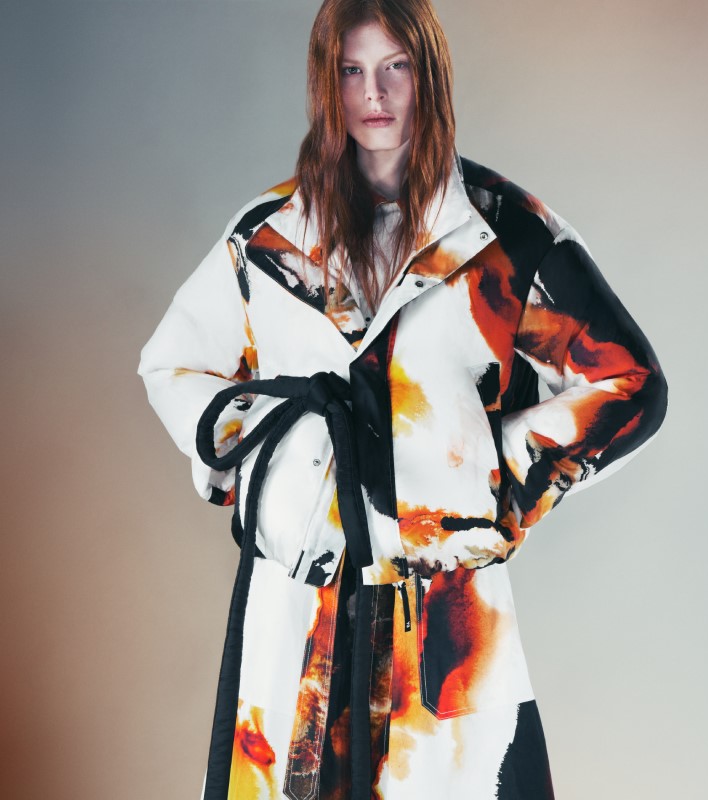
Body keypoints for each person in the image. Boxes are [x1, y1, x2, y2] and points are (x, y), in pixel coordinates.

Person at [137, 0, 669, 798]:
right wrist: (274, 466)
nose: (374, 94)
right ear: (327, 83)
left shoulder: (505, 233)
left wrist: (489, 476)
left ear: (429, 77)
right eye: (352, 70)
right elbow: (174, 365)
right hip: (298, 610)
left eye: (395, 68)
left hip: (443, 621)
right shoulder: (269, 234)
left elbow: (628, 382)